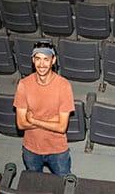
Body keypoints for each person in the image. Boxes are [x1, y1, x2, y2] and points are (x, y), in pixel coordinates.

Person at [13, 41, 74, 175]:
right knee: (35, 186)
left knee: (63, 184)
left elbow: (62, 127)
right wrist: (52, 121)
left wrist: (34, 120)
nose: (41, 64)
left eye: (46, 59)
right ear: (33, 60)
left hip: (57, 148)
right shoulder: (23, 85)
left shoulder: (64, 86)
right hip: (31, 148)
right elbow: (21, 124)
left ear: (53, 60)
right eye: (38, 59)